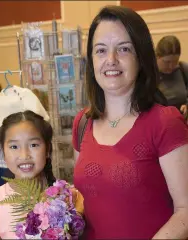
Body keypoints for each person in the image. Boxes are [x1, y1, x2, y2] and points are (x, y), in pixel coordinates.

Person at [72, 6, 188, 239]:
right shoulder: (83, 122)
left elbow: (185, 211)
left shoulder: (165, 122)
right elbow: (84, 201)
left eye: (124, 49)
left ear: (141, 57)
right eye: (101, 50)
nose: (111, 60)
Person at [0, 110, 56, 239]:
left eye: (34, 145)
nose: (24, 155)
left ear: (47, 149)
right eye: (14, 147)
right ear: (3, 153)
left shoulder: (67, 195)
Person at [156, 35, 188, 116]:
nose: (171, 66)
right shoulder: (148, 74)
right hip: (158, 124)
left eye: (175, 62)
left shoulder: (183, 69)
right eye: (167, 62)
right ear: (157, 56)